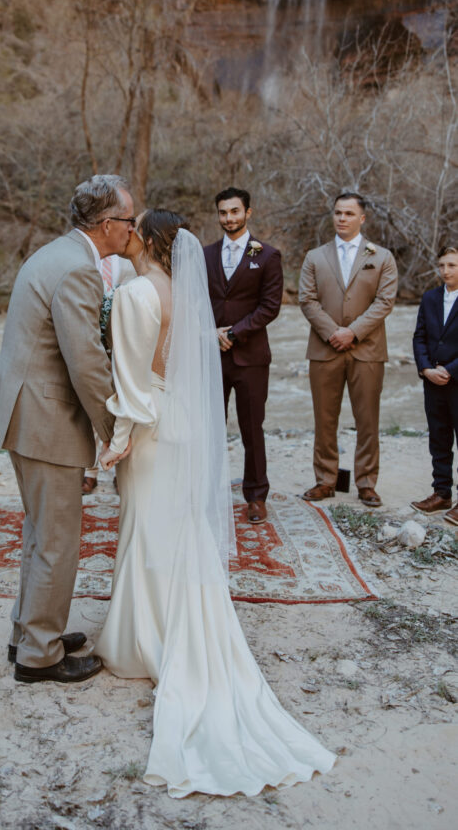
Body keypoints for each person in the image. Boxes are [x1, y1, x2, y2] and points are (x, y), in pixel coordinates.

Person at [97, 210, 335, 798]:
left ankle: (145, 637)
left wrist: (117, 438)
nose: (123, 234)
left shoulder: (134, 294)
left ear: (148, 242)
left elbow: (131, 378)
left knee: (147, 526)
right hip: (182, 420)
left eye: (132, 230)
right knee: (178, 525)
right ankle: (183, 620)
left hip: (150, 426)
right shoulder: (184, 294)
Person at [0, 174, 134, 684]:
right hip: (45, 417)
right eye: (129, 221)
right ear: (108, 225)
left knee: (40, 531)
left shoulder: (55, 253)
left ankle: (28, 631)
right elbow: (85, 360)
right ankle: (39, 657)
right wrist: (115, 429)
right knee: (58, 540)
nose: (132, 230)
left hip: (23, 409)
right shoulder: (78, 271)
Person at [299, 192, 398, 507]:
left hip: (367, 351)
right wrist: (332, 333)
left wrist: (353, 332)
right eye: (338, 213)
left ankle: (366, 483)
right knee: (324, 419)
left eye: (349, 214)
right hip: (324, 349)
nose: (342, 219)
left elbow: (385, 302)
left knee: (367, 420)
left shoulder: (381, 257)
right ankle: (325, 481)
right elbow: (307, 300)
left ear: (362, 218)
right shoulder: (315, 256)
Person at [203, 187, 283, 524]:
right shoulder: (204, 255)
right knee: (209, 428)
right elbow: (196, 301)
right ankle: (209, 492)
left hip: (250, 357)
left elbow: (270, 306)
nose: (229, 218)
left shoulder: (267, 255)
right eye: (223, 213)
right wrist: (211, 333)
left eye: (235, 211)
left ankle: (255, 496)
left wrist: (235, 333)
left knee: (252, 429)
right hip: (210, 354)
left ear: (248, 212)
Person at [411, 245, 458, 526]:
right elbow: (419, 336)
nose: (445, 271)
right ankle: (441, 493)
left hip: (457, 380)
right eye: (441, 265)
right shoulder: (430, 298)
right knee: (439, 439)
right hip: (433, 382)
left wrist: (449, 371)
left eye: (451, 265)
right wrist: (426, 368)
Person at [82, 253, 136, 494]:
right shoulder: (84, 257)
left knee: (122, 403)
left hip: (122, 340)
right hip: (90, 339)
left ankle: (119, 468)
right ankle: (89, 470)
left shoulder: (129, 259)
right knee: (93, 404)